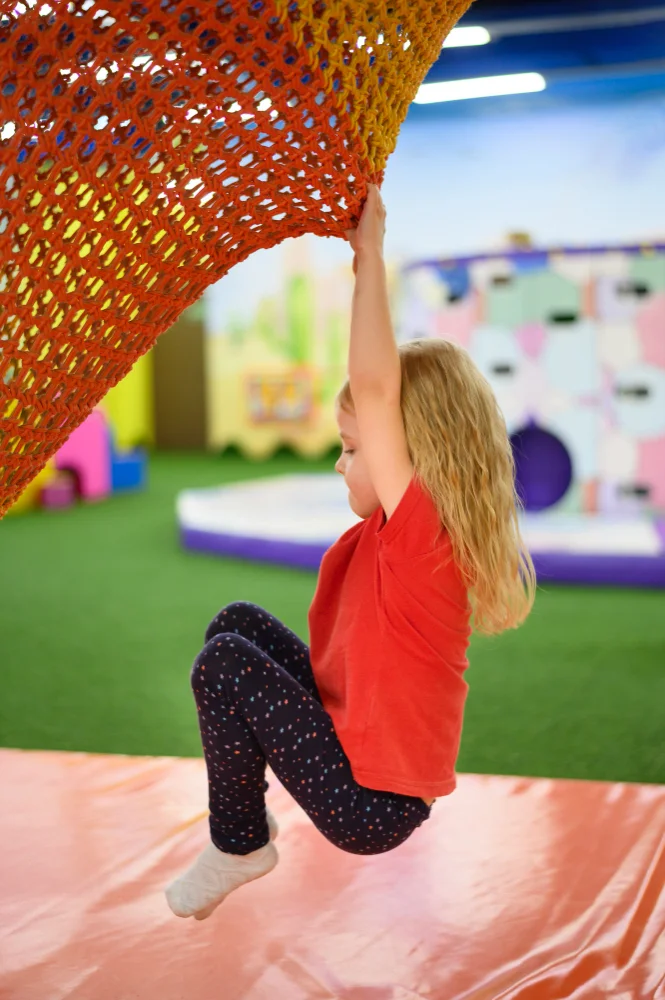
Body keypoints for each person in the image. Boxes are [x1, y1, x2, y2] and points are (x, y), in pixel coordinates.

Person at [165, 185, 536, 920]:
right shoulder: (401, 533)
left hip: (371, 801)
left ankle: (238, 841)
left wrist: (367, 257)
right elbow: (372, 399)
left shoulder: (421, 534)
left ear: (414, 452)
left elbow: (374, 384)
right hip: (348, 745)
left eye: (353, 447)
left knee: (225, 665)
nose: (341, 463)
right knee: (234, 624)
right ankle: (247, 825)